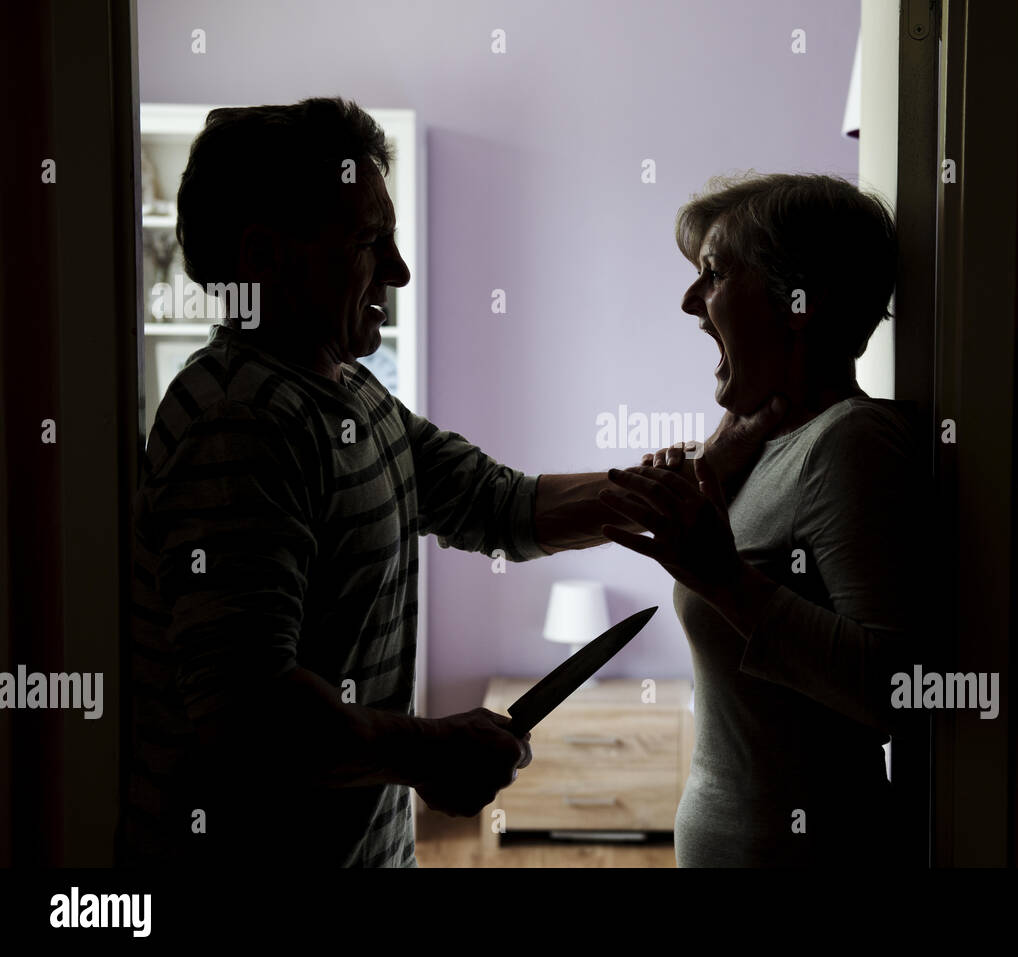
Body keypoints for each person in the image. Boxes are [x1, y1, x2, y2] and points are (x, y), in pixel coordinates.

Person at [118, 98, 785, 868]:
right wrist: (430, 749)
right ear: (264, 259)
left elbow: (501, 505)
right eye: (370, 242)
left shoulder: (347, 392)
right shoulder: (237, 423)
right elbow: (252, 718)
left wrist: (720, 454)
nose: (399, 269)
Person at [601, 172, 925, 867]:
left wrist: (726, 581)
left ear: (799, 303)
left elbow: (899, 685)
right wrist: (709, 465)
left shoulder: (852, 443)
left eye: (714, 274)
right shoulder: (758, 450)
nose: (690, 299)